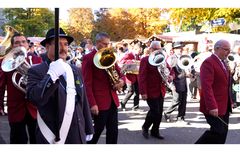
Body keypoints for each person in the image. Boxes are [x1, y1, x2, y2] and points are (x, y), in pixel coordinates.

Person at [26, 28, 94, 144]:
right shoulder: (37, 71)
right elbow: (35, 98)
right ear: (47, 47)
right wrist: (51, 76)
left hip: (78, 133)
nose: (63, 48)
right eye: (58, 44)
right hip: (52, 135)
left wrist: (88, 127)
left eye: (66, 44)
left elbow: (83, 100)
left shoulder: (75, 70)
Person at [82, 32, 125, 144]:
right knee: (97, 132)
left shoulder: (109, 55)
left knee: (113, 131)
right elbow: (87, 84)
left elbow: (120, 73)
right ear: (97, 43)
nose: (107, 47)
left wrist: (121, 81)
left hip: (112, 100)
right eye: (104, 44)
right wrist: (92, 103)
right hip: (99, 102)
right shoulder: (88, 58)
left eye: (108, 44)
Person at [0, 33, 42, 144]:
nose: (21, 44)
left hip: (34, 107)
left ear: (28, 45)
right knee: (17, 140)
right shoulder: (5, 62)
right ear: (12, 46)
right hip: (16, 107)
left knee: (37, 139)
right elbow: (1, 85)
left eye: (23, 42)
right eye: (17, 42)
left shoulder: (37, 60)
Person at [195, 39, 232, 144]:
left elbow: (225, 85)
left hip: (224, 105)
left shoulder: (223, 62)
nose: (228, 52)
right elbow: (206, 87)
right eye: (226, 50)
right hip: (214, 105)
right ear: (216, 49)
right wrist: (212, 106)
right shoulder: (208, 62)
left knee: (223, 133)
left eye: (229, 50)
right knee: (217, 131)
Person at [139, 48, 168, 140]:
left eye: (158, 49)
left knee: (159, 112)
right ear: (150, 49)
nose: (157, 51)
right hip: (150, 90)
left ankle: (155, 131)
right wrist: (143, 92)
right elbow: (142, 76)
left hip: (160, 90)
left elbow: (168, 70)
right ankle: (145, 127)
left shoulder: (162, 59)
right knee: (155, 111)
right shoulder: (145, 60)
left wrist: (170, 76)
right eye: (155, 49)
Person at [163, 42, 189, 122]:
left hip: (183, 82)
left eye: (181, 48)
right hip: (176, 82)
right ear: (174, 50)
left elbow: (188, 67)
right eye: (178, 48)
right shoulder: (172, 58)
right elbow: (169, 72)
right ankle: (167, 113)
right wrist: (171, 84)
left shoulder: (183, 57)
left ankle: (181, 117)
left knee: (183, 101)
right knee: (177, 100)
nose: (180, 50)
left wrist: (190, 73)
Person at [119, 43, 141, 111]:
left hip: (136, 76)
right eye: (139, 50)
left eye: (140, 50)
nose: (140, 52)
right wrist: (131, 61)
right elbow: (121, 61)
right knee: (130, 91)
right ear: (135, 49)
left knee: (137, 92)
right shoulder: (128, 55)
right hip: (129, 77)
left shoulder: (137, 55)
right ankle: (123, 103)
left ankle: (136, 106)